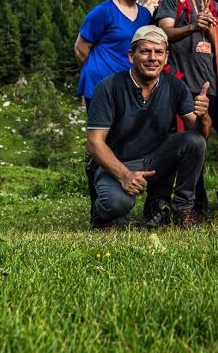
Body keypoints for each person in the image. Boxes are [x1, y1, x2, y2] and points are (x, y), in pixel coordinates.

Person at [86, 26, 211, 229]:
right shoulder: (108, 87)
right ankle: (100, 213)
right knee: (116, 205)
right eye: (145, 51)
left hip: (155, 160)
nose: (153, 58)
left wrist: (203, 115)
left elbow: (200, 134)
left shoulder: (176, 86)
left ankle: (183, 208)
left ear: (166, 56)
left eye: (159, 52)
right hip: (118, 162)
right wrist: (125, 175)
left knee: (194, 141)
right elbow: (94, 143)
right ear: (131, 56)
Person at [155, 0, 218, 210]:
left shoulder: (216, 6)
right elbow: (163, 32)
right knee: (191, 143)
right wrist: (192, 25)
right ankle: (192, 203)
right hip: (182, 85)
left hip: (211, 86)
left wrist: (210, 33)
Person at [74, 0, 153, 106]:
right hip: (101, 86)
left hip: (130, 86)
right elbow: (80, 49)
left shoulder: (145, 15)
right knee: (103, 129)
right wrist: (97, 71)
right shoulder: (102, 12)